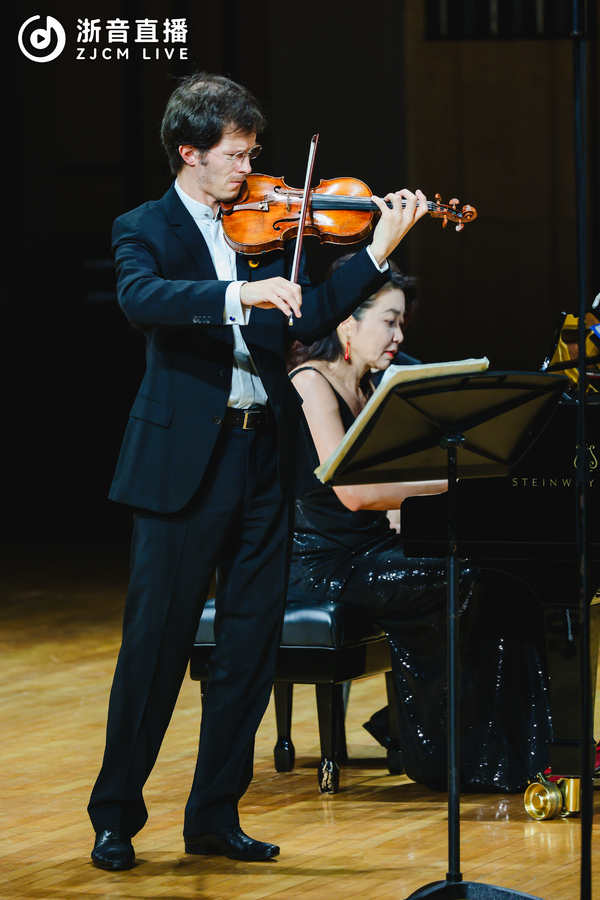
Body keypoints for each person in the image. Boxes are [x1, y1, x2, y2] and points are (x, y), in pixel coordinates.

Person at [88, 72, 430, 871]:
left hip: (264, 458)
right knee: (155, 648)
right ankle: (115, 816)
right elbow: (142, 298)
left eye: (252, 153)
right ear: (190, 152)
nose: (250, 169)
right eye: (236, 155)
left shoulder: (266, 230)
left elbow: (314, 314)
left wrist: (376, 250)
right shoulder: (143, 226)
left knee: (249, 648)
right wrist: (238, 297)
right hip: (183, 467)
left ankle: (214, 816)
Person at [287, 259, 552, 792]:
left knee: (508, 578)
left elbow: (396, 486)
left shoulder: (377, 382)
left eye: (402, 323)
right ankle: (452, 755)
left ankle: (533, 750)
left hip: (371, 551)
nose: (399, 336)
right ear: (347, 323)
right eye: (389, 322)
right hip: (323, 565)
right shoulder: (311, 382)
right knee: (466, 578)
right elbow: (355, 493)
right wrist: (453, 481)